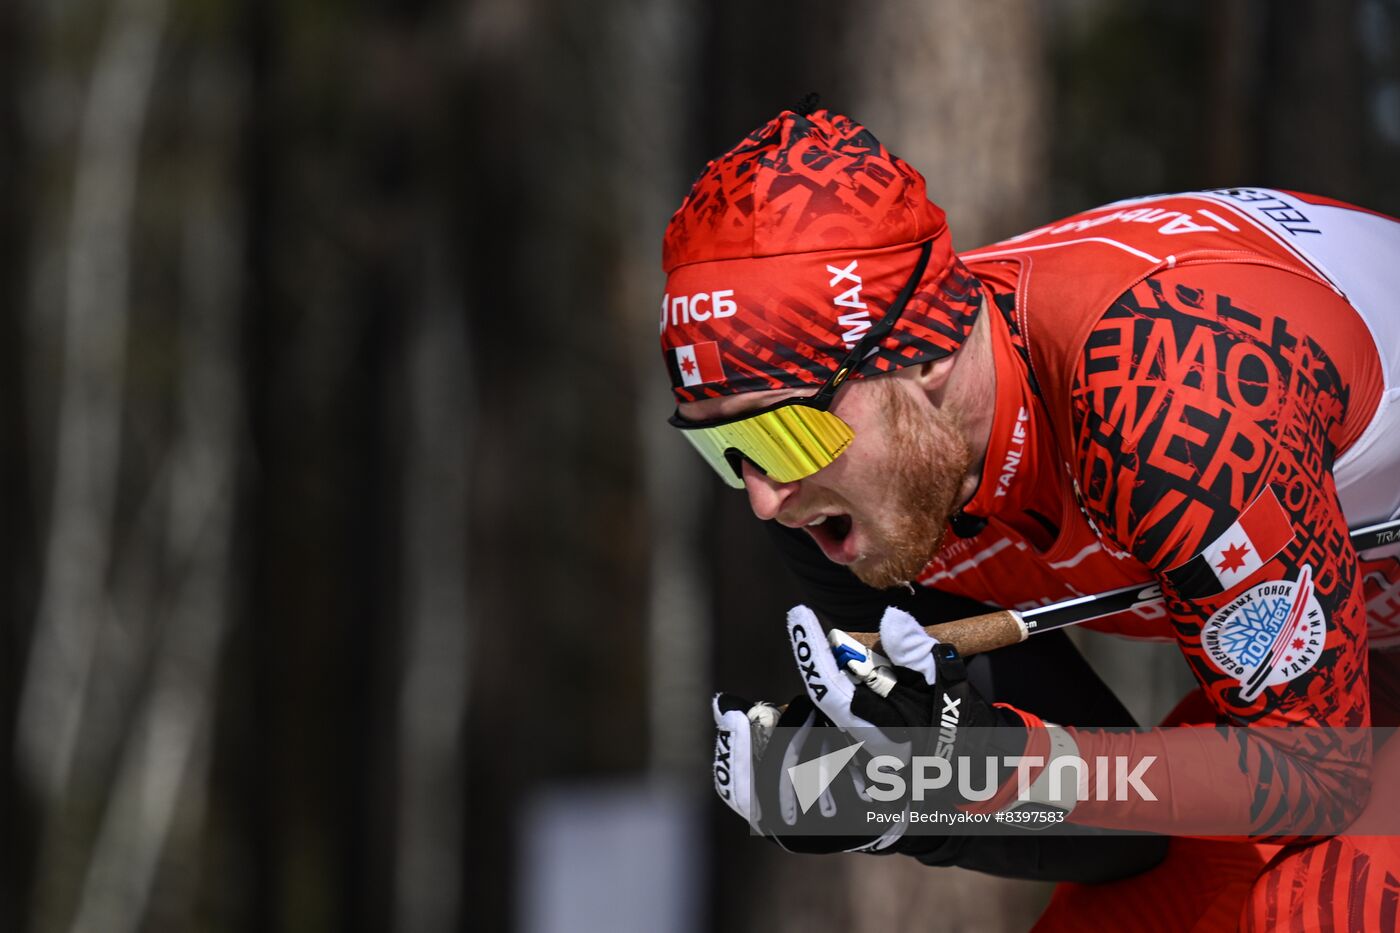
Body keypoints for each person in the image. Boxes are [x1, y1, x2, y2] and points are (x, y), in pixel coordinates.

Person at [660, 101, 1400, 930]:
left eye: (780, 431)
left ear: (919, 357)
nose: (762, 494)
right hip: (1352, 685)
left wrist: (996, 773)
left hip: (1332, 737)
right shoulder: (847, 495)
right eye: (723, 448)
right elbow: (1127, 839)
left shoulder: (1162, 390)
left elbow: (1316, 778)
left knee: (1318, 908)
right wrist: (909, 795)